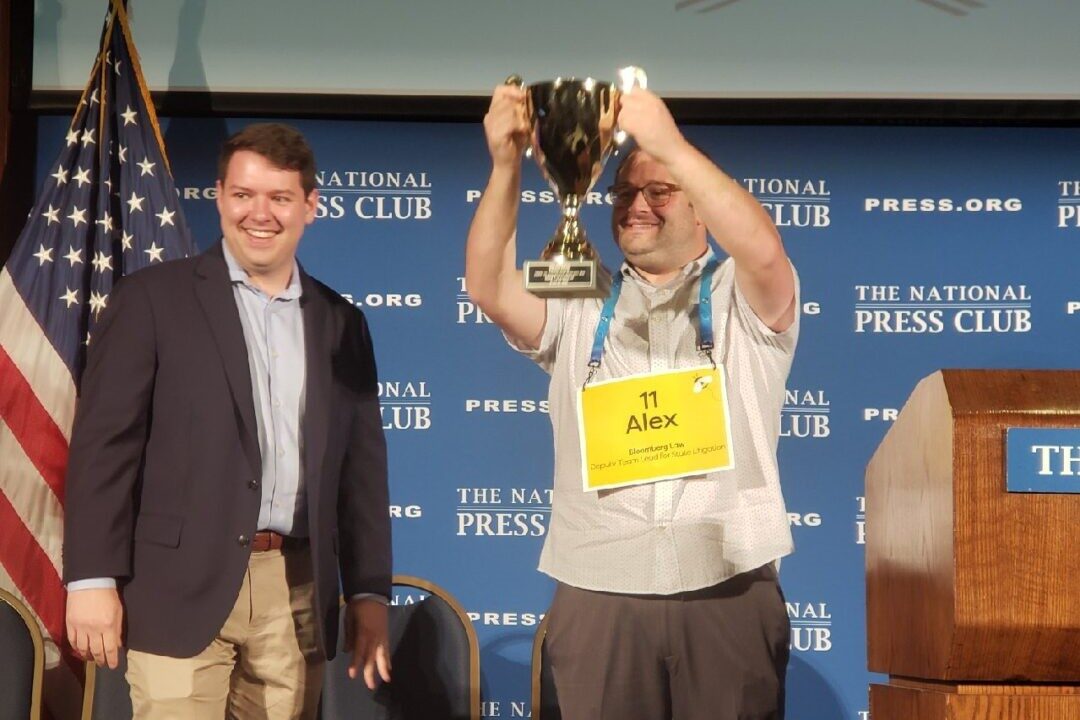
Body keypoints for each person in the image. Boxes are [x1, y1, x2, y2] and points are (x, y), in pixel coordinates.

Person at [465, 85, 799, 720]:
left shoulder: (742, 296)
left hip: (727, 583)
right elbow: (488, 286)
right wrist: (506, 165)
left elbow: (761, 247)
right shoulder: (579, 296)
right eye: (623, 194)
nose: (636, 206)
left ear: (703, 209)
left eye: (660, 192)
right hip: (598, 590)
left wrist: (667, 143)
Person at [63, 123, 392, 719]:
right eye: (243, 195)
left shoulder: (342, 322)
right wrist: (90, 579)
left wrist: (368, 590)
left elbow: (362, 470)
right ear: (218, 197)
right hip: (174, 585)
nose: (258, 213)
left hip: (296, 590)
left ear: (311, 207)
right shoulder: (151, 301)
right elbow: (102, 451)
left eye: (279, 198)